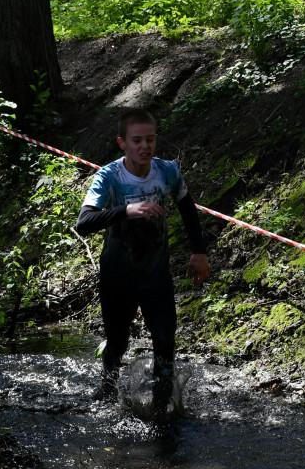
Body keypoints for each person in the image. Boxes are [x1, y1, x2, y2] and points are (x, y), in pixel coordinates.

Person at [75, 109, 210, 421]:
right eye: (137, 141)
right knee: (118, 341)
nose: (144, 146)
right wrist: (126, 210)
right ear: (123, 143)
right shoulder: (108, 177)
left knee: (165, 342)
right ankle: (107, 391)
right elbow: (84, 223)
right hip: (117, 277)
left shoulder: (167, 172)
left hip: (156, 276)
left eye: (150, 139)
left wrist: (199, 252)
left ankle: (165, 411)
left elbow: (188, 210)